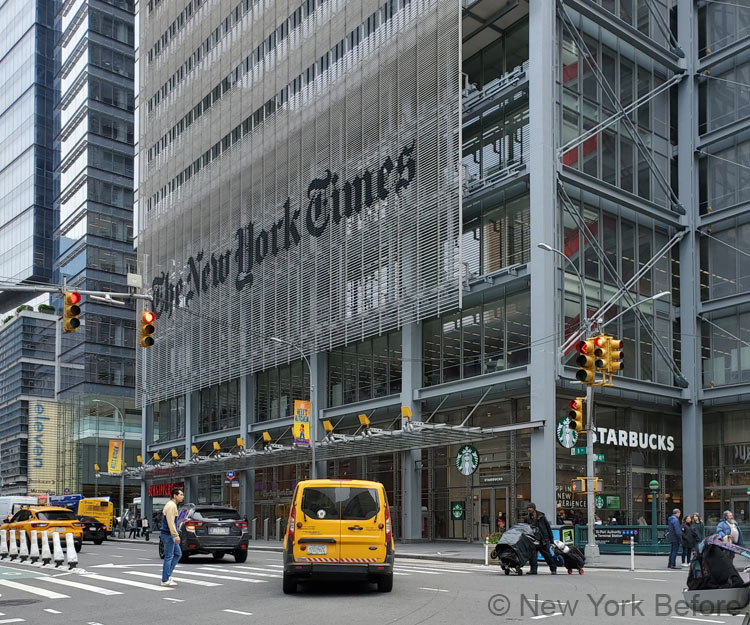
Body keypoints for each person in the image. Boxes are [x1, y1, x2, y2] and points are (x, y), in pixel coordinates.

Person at [161, 487, 185, 587]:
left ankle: (167, 575)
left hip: (168, 534)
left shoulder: (171, 505)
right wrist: (176, 535)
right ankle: (165, 579)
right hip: (168, 534)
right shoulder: (172, 506)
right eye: (181, 495)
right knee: (169, 556)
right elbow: (171, 522)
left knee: (177, 554)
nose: (182, 497)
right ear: (175, 496)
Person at [525, 503, 557, 575]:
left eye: (530, 508)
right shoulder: (527, 518)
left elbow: (548, 527)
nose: (529, 509)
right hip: (533, 539)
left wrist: (551, 539)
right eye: (528, 508)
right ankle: (533, 570)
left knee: (547, 555)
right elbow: (526, 528)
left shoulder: (541, 516)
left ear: (534, 509)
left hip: (543, 539)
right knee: (532, 556)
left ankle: (553, 569)